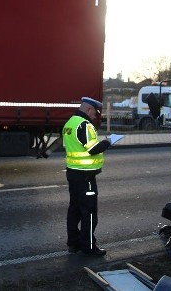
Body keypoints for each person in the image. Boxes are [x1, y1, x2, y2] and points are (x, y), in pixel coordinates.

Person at [63, 96, 111, 257]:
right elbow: (93, 149)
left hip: (73, 173)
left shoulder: (70, 123)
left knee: (74, 210)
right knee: (89, 213)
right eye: (95, 113)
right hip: (86, 176)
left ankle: (73, 243)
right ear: (89, 109)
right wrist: (108, 142)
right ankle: (89, 247)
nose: (95, 117)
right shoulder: (84, 125)